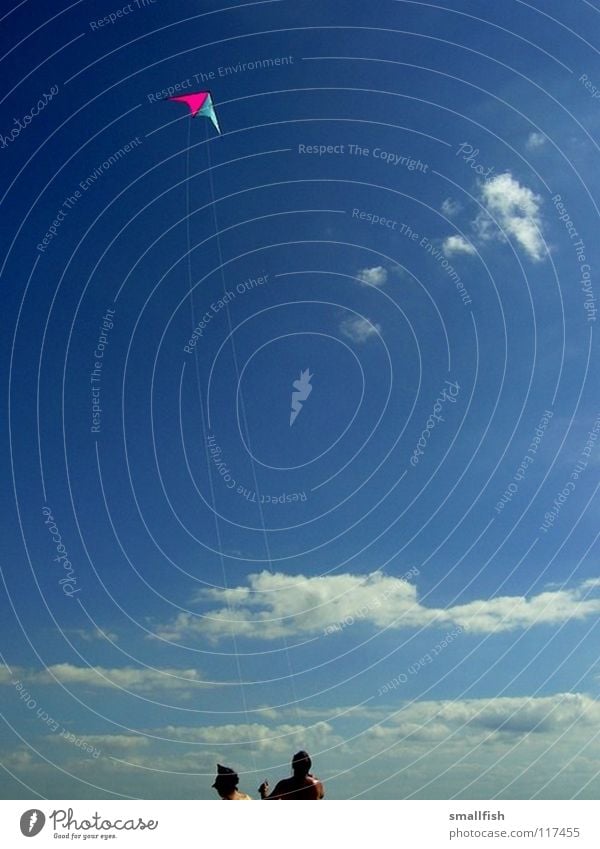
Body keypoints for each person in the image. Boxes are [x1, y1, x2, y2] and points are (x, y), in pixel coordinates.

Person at [258, 750, 324, 800]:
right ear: (309, 766)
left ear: (293, 766)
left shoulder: (284, 785)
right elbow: (321, 795)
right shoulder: (317, 784)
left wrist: (263, 791)